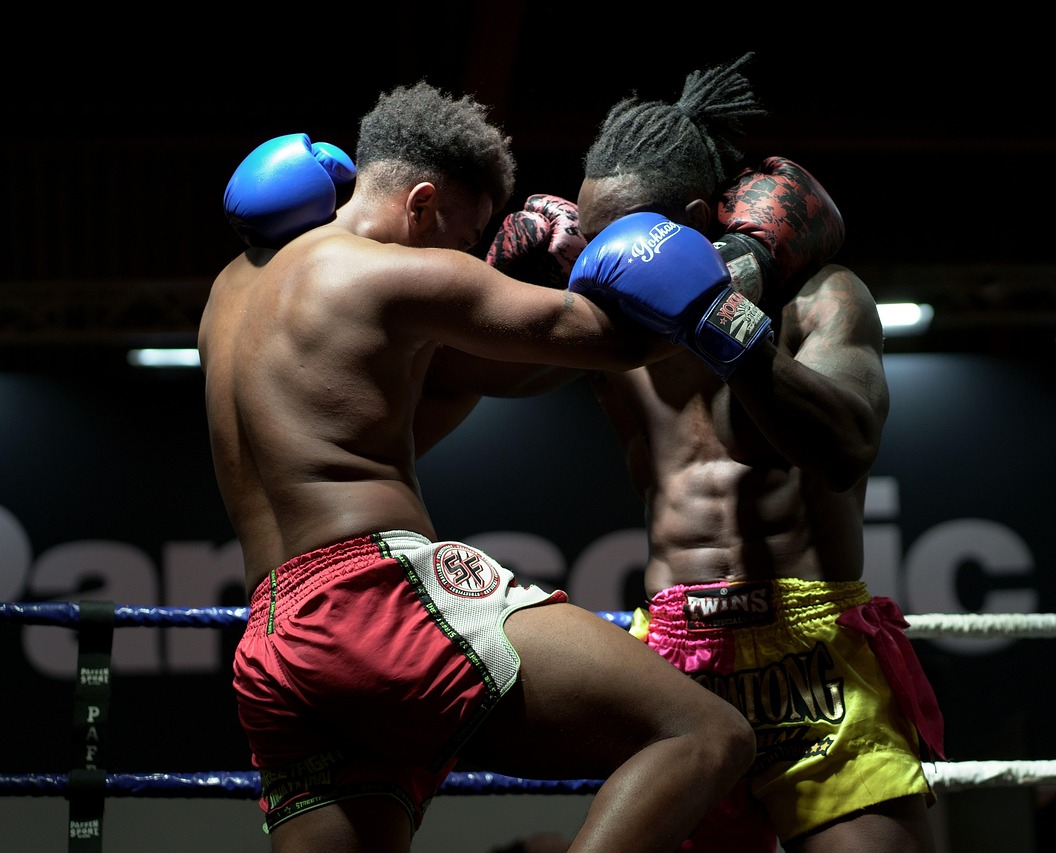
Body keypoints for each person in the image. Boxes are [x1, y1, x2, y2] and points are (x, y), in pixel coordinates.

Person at [200, 78, 757, 853]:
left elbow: (452, 388)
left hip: (275, 639)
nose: (469, 260)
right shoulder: (391, 271)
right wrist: (746, 255)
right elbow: (625, 338)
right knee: (705, 734)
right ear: (420, 203)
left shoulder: (232, 288)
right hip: (371, 598)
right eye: (464, 238)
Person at [568, 53, 946, 852]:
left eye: (627, 241)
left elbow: (844, 448)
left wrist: (719, 318)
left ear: (700, 220)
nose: (605, 264)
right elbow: (452, 363)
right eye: (593, 242)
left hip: (815, 656)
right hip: (675, 658)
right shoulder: (601, 328)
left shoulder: (823, 300)